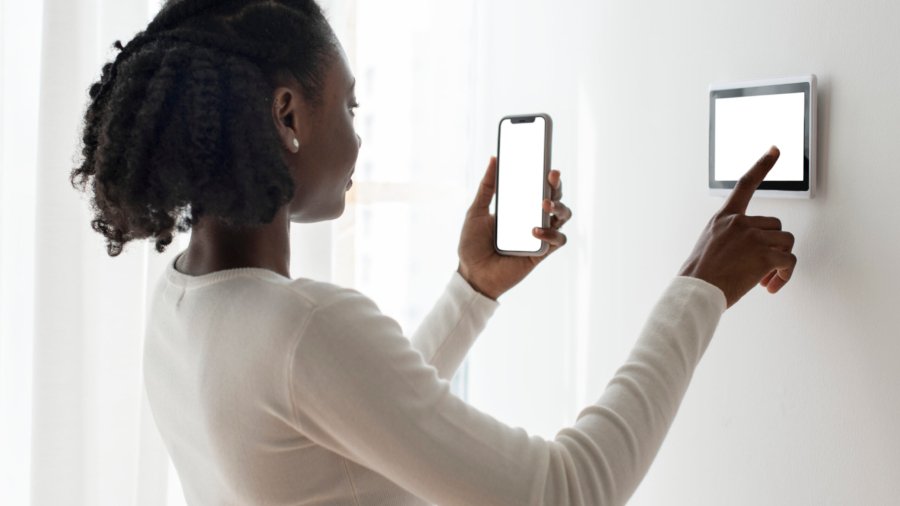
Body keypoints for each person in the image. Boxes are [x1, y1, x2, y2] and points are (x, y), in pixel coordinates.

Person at [71, 1, 797, 504]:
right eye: (349, 107)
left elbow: (348, 425)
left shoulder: (178, 303)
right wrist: (698, 289)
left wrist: (471, 290)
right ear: (288, 113)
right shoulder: (301, 326)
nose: (357, 137)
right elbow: (569, 491)